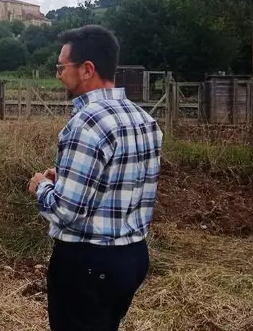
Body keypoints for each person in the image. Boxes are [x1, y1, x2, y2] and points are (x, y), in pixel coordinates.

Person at [27, 25, 163, 331]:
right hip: (132, 256)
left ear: (87, 69)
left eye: (62, 67)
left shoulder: (87, 122)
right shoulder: (144, 118)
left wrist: (42, 186)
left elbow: (67, 211)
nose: (58, 74)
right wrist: (65, 177)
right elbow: (119, 183)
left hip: (88, 262)